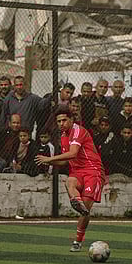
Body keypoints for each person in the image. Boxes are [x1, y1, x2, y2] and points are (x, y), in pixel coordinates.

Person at [35, 105, 103, 252]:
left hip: (93, 171)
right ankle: (77, 202)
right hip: (78, 171)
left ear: (72, 119)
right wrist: (48, 161)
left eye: (64, 120)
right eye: (58, 121)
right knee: (69, 181)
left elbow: (72, 153)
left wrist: (49, 159)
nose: (61, 124)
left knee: (86, 209)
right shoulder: (63, 136)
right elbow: (65, 161)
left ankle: (78, 240)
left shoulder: (78, 131)